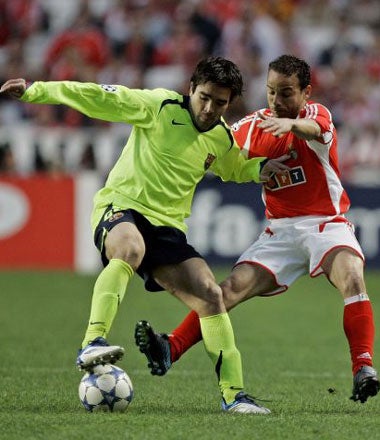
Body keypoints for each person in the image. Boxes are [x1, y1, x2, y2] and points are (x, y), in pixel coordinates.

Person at [0, 56, 290, 414]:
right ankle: (92, 341)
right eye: (204, 97)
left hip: (167, 228)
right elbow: (98, 97)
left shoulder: (220, 138)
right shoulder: (159, 106)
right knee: (129, 248)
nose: (209, 108)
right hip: (122, 206)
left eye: (220, 102)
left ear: (230, 104)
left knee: (211, 296)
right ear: (191, 89)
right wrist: (36, 91)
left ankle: (234, 396)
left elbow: (235, 168)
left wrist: (260, 168)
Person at [134, 54, 379, 405]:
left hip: (326, 223)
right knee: (228, 289)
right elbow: (215, 149)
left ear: (306, 92)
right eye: (270, 92)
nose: (277, 101)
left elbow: (318, 130)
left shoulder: (315, 116)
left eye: (286, 93)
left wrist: (291, 126)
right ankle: (169, 349)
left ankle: (363, 368)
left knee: (353, 277)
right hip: (279, 231)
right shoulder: (250, 127)